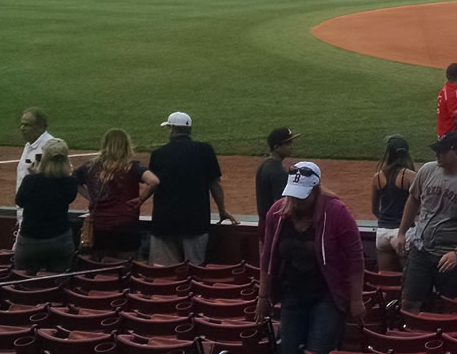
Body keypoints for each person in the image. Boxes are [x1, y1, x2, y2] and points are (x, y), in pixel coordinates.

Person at [257, 162, 365, 354]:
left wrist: (356, 299)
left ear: (316, 191)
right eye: (293, 196)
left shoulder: (337, 212)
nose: (296, 202)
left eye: (302, 197)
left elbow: (355, 257)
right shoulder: (277, 213)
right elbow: (267, 255)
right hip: (292, 295)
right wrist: (263, 296)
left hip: (327, 296)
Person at [394, 132, 457, 315]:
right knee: (408, 304)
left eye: (442, 151)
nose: (437, 154)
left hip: (450, 257)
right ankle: (408, 340)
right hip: (420, 251)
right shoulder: (427, 170)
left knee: (452, 308)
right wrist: (401, 233)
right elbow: (413, 200)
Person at [144, 111, 235, 265]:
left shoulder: (158, 154)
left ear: (172, 129)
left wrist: (138, 200)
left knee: (164, 276)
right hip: (196, 222)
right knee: (194, 272)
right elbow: (215, 184)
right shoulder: (205, 150)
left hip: (164, 222)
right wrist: (222, 210)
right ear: (189, 130)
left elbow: (152, 185)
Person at [74, 129, 157, 259]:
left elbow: (74, 180)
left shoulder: (90, 166)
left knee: (100, 269)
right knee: (126, 269)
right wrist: (141, 199)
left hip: (99, 226)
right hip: (126, 226)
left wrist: (90, 196)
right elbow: (154, 181)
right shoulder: (131, 167)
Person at [14, 138, 79, 273]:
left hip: (30, 240)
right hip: (60, 240)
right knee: (58, 284)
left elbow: (20, 201)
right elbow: (68, 198)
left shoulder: (30, 181)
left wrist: (36, 175)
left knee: (24, 283)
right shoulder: (70, 182)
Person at [371, 136, 416, 272]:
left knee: (387, 283)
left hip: (382, 234)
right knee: (409, 284)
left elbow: (374, 209)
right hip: (404, 234)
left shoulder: (377, 177)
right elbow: (421, 205)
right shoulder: (410, 176)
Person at [256, 127, 298, 223]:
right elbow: (281, 207)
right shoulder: (277, 172)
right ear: (276, 147)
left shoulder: (265, 165)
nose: (292, 146)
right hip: (274, 226)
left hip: (264, 223)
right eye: (288, 143)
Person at [17, 108, 58, 199]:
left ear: (41, 127)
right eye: (22, 124)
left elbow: (62, 179)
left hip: (42, 208)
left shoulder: (52, 147)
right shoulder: (29, 145)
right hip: (27, 207)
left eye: (27, 125)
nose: (22, 128)